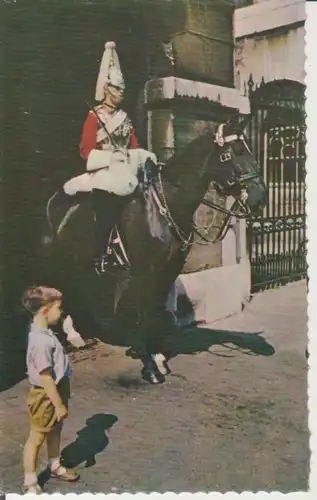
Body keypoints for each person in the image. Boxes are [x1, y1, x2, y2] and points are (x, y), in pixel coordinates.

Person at [48, 41, 142, 274]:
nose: (122, 92)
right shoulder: (94, 117)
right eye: (118, 88)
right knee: (105, 201)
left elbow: (134, 144)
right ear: (108, 89)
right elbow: (85, 151)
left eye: (123, 89)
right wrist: (109, 157)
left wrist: (134, 155)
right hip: (103, 170)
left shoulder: (125, 117)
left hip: (125, 169)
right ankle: (101, 252)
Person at [22, 285, 79, 494]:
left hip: (56, 389)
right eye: (59, 308)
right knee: (37, 436)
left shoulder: (44, 331)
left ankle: (54, 464)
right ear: (45, 311)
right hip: (46, 395)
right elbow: (45, 377)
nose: (61, 312)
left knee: (55, 429)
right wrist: (58, 404)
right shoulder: (41, 340)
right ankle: (30, 482)